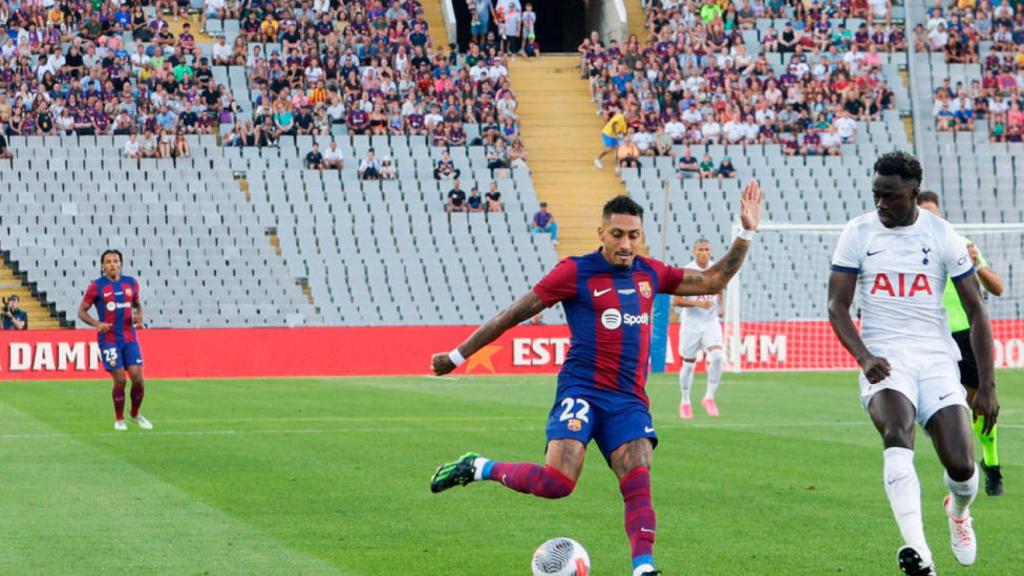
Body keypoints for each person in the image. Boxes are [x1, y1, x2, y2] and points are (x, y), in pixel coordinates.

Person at [429, 184, 764, 576]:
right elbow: (512, 314)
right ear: (601, 234)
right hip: (582, 390)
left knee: (638, 474)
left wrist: (746, 233)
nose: (626, 244)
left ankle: (643, 568)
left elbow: (713, 280)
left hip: (627, 399)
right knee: (558, 482)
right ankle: (479, 466)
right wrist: (456, 356)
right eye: (618, 234)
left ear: (641, 236)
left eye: (633, 235)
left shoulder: (651, 273)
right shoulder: (575, 272)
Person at [827, 152, 998, 576]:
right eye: (876, 195)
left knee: (961, 465)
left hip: (937, 359)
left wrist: (989, 387)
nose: (881, 204)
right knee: (896, 434)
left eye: (890, 197)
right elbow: (837, 305)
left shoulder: (942, 235)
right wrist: (864, 357)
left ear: (913, 194)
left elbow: (977, 311)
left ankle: (958, 511)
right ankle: (921, 555)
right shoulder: (858, 232)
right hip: (885, 358)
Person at [917, 191, 1005, 496]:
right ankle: (957, 473)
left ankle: (991, 465)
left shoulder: (962, 244)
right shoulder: (911, 250)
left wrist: (977, 264)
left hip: (968, 336)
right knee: (939, 408)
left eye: (935, 214)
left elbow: (997, 288)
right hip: (932, 338)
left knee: (981, 407)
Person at [78, 250, 152, 432]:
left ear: (121, 263)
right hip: (109, 339)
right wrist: (96, 323)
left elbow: (136, 304)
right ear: (103, 266)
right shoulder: (96, 286)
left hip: (130, 338)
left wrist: (139, 317)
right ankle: (119, 419)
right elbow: (81, 311)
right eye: (108, 261)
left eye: (116, 261)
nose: (112, 264)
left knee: (138, 378)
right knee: (120, 379)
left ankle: (135, 414)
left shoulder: (131, 283)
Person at [673, 240, 725, 419]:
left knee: (718, 356)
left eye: (707, 249)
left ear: (711, 252)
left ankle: (709, 397)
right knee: (688, 364)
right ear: (694, 251)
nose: (704, 253)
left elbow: (719, 288)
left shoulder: (716, 269)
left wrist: (721, 305)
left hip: (711, 322)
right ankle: (685, 400)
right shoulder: (686, 272)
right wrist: (697, 303)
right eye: (701, 249)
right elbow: (677, 301)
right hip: (691, 324)